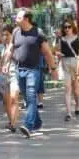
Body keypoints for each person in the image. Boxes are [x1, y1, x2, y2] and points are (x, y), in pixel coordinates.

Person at [11, 9, 59, 138]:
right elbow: (11, 49)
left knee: (31, 96)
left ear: (26, 19)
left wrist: (53, 69)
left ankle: (28, 125)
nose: (16, 19)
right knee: (27, 98)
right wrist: (4, 63)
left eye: (19, 17)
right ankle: (37, 122)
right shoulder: (16, 32)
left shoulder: (38, 33)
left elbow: (47, 52)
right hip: (19, 69)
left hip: (34, 70)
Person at [0, 24, 18, 133]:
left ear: (12, 35)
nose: (5, 37)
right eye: (3, 35)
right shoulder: (0, 48)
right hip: (3, 76)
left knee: (14, 99)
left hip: (14, 73)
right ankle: (10, 120)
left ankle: (13, 123)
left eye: (7, 35)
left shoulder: (16, 47)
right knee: (6, 102)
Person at [57, 20, 79, 121]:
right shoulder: (61, 39)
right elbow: (59, 51)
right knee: (67, 88)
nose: (67, 29)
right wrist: (57, 59)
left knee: (76, 89)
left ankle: (77, 106)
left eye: (69, 27)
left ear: (73, 27)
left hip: (75, 63)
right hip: (65, 63)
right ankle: (68, 112)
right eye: (65, 27)